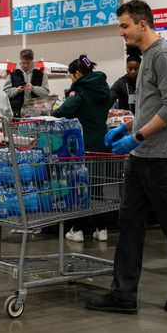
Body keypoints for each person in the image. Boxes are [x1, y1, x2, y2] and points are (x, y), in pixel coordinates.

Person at [88, 0, 167, 314]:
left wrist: (137, 137)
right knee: (129, 222)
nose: (121, 32)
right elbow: (151, 109)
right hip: (142, 157)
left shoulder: (165, 54)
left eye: (125, 26)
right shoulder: (145, 58)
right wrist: (126, 127)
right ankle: (123, 294)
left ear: (142, 24)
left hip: (162, 157)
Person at [52, 55, 113, 242]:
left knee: (80, 186)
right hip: (101, 143)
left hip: (82, 144)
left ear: (77, 74)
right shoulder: (103, 88)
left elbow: (63, 111)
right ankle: (101, 228)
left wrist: (52, 113)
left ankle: (77, 229)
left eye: (71, 76)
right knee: (97, 186)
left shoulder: (79, 91)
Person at [3, 49, 50, 117]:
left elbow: (46, 92)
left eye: (28, 63)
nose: (25, 65)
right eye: (23, 63)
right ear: (20, 61)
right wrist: (16, 90)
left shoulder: (41, 75)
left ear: (32, 61)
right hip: (16, 113)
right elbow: (5, 93)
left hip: (36, 113)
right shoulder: (12, 75)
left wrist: (34, 88)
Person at [110, 47, 141, 114]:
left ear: (141, 68)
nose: (133, 72)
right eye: (130, 69)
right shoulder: (120, 83)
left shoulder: (146, 81)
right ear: (126, 68)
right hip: (126, 119)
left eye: (136, 69)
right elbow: (110, 99)